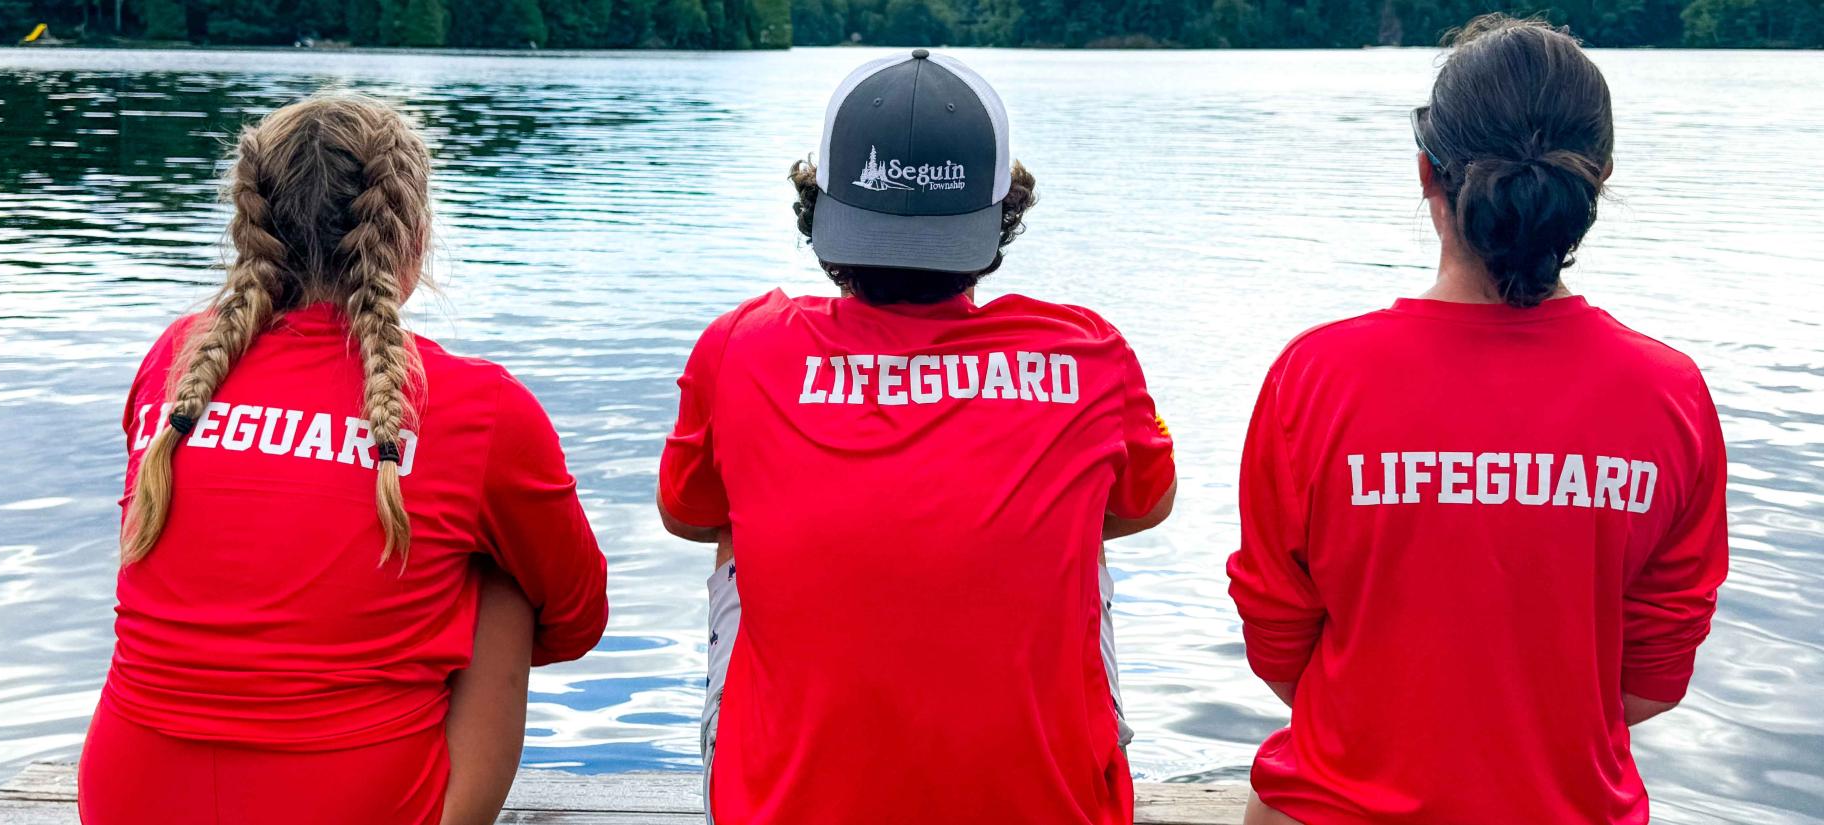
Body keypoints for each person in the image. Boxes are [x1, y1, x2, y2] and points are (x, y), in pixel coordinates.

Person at [1226, 16, 1729, 825]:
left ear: (1427, 170)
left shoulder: (1316, 378)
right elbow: (1651, 678)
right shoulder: (1669, 395)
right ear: (1595, 180)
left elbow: (1278, 645)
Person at [658, 50, 1177, 825]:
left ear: (825, 213)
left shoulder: (742, 347)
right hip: (1047, 806)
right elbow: (1149, 502)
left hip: (789, 804)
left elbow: (688, 515)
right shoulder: (1086, 352)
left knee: (740, 529)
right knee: (1078, 521)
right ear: (997, 217)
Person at [77, 94, 609, 825]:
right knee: (501, 569)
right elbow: (576, 616)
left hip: (127, 798)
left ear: (252, 229)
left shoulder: (178, 361)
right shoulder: (479, 408)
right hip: (356, 802)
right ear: (411, 239)